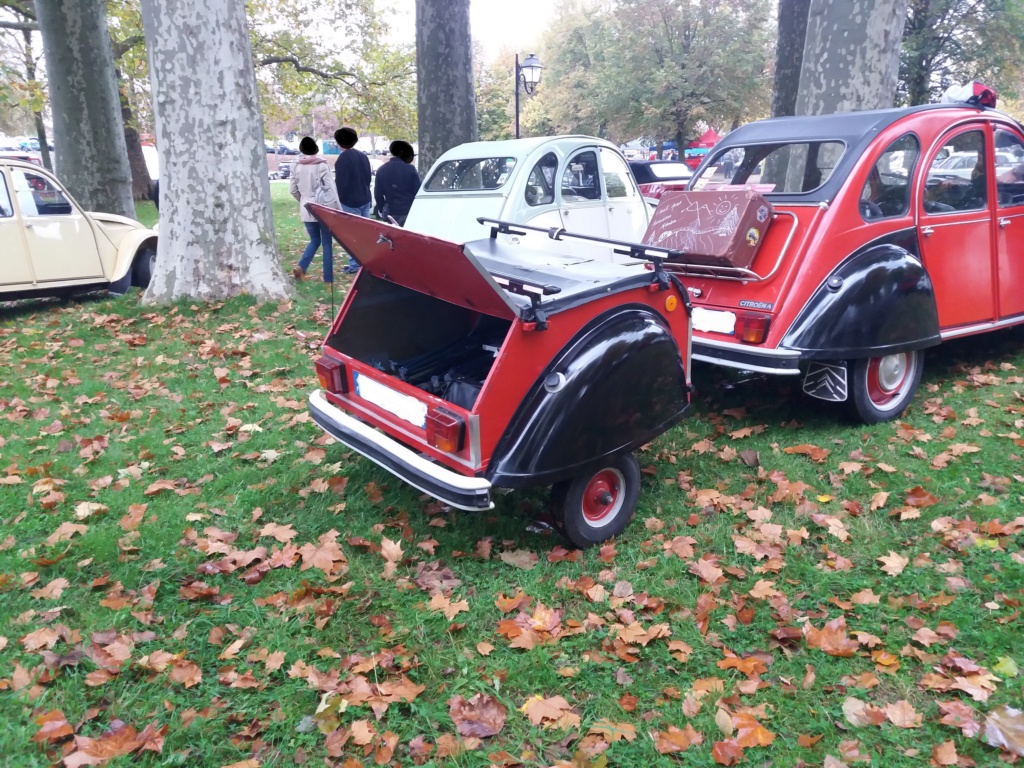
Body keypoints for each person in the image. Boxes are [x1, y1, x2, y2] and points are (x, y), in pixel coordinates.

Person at [290, 136, 341, 283]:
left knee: (314, 240)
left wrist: (303, 200)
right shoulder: (321, 165)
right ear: (316, 149)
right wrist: (337, 209)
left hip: (306, 207)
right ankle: (328, 278)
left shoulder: (295, 166)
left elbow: (292, 189)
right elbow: (331, 189)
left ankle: (301, 267)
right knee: (326, 242)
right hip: (322, 208)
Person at [334, 126, 372, 274]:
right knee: (364, 234)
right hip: (365, 198)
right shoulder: (363, 156)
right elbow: (368, 178)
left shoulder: (343, 159)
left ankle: (355, 266)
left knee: (352, 236)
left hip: (350, 201)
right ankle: (364, 262)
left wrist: (340, 199)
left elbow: (341, 183)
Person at [374, 140, 421, 226]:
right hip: (408, 209)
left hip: (391, 210)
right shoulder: (410, 169)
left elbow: (378, 194)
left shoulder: (382, 170)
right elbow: (417, 191)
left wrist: (382, 208)